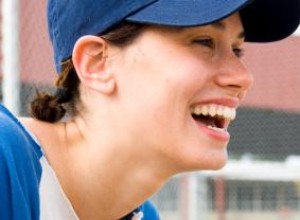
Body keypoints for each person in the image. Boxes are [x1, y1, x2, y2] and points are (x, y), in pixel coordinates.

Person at [0, 0, 299, 219]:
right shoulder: (6, 166)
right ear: (97, 64)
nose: (243, 77)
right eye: (204, 41)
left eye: (236, 49)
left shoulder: (140, 213)